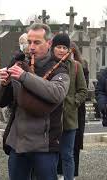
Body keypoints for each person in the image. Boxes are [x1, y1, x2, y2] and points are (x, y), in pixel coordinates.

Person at [0, 23, 70, 180]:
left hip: (44, 144)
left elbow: (56, 93)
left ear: (48, 43)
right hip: (18, 143)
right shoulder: (19, 64)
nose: (31, 47)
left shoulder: (60, 68)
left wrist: (24, 76)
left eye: (37, 42)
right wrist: (3, 84)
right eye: (29, 42)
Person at [50, 34, 87, 180]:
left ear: (69, 50)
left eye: (64, 47)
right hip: (50, 118)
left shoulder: (76, 66)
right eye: (58, 47)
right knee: (50, 156)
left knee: (67, 155)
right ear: (53, 48)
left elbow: (83, 90)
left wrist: (73, 102)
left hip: (69, 119)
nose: (61, 50)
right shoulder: (47, 64)